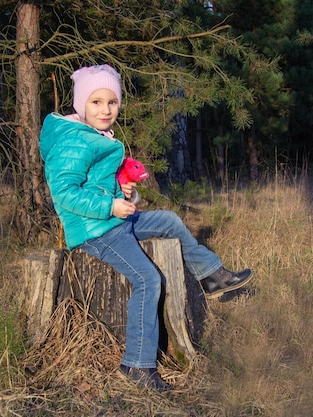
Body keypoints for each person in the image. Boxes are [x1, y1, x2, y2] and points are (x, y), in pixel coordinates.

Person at [39, 64, 253, 391]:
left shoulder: (96, 137)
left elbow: (103, 184)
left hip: (113, 220)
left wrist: (125, 193)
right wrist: (109, 205)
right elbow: (65, 194)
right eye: (96, 102)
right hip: (95, 231)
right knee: (148, 279)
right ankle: (137, 365)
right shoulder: (74, 141)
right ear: (81, 104)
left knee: (167, 220)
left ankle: (210, 275)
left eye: (112, 102)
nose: (105, 109)